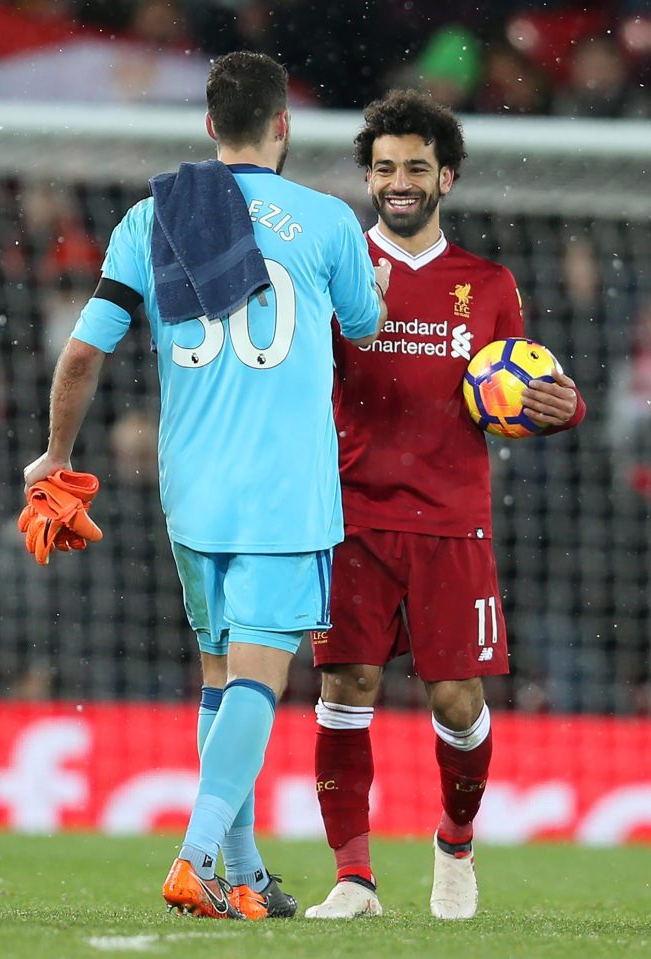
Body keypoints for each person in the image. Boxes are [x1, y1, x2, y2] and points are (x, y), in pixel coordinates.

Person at [23, 50, 390, 921]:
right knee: (260, 680)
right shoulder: (329, 218)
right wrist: (370, 282)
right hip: (284, 488)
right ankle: (194, 857)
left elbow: (81, 352)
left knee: (220, 677)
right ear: (283, 126)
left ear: (208, 126)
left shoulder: (149, 219)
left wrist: (52, 454)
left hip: (190, 488)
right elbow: (365, 329)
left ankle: (247, 873)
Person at [306, 89, 586, 921]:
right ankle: (352, 877)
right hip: (350, 515)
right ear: (366, 176)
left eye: (415, 167)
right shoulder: (334, 271)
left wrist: (559, 406)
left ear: (445, 178)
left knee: (457, 699)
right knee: (345, 685)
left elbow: (533, 386)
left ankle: (454, 843)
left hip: (451, 518)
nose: (398, 180)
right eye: (384, 166)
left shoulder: (487, 284)